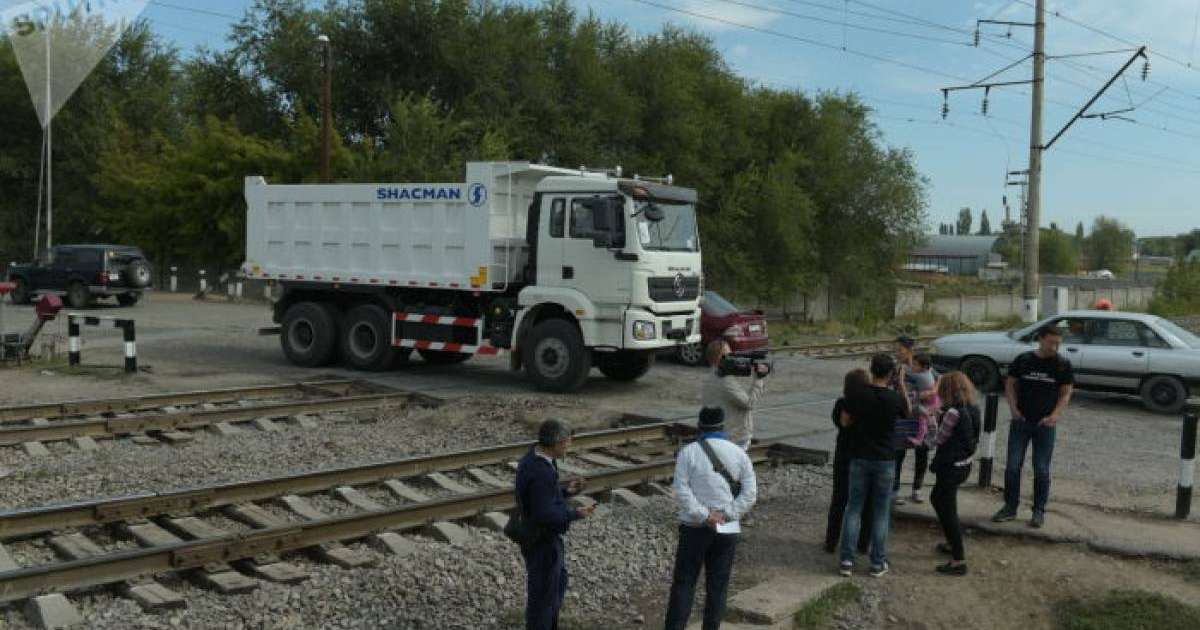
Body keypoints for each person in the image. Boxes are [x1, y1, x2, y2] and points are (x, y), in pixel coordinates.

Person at [664, 407, 758, 630]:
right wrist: (727, 515)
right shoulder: (739, 453)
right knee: (718, 585)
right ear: (722, 426)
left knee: (684, 584)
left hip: (694, 527)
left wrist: (705, 515)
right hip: (727, 528)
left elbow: (681, 490)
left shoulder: (689, 452)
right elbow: (750, 493)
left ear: (700, 426)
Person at [515, 418, 596, 630]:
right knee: (544, 598)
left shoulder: (534, 458)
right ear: (557, 443)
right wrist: (574, 514)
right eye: (568, 441)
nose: (570, 445)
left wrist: (565, 492)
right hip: (542, 540)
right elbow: (545, 513)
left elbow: (540, 499)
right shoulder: (541, 472)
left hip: (537, 537)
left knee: (556, 584)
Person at [992, 325, 1075, 529]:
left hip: (1045, 425)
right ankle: (1010, 507)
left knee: (1041, 469)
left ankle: (1038, 511)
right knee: (1012, 466)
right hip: (1021, 422)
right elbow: (1010, 384)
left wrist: (1054, 415)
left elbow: (1066, 393)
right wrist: (1013, 408)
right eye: (1051, 342)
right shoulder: (1024, 360)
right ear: (1041, 339)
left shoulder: (1062, 364)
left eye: (1058, 343)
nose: (1055, 347)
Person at [839, 353, 910, 578]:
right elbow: (907, 413)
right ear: (891, 374)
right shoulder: (894, 399)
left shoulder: (859, 394)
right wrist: (901, 385)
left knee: (853, 508)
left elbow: (845, 421)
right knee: (881, 512)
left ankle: (846, 561)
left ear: (872, 370)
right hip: (885, 460)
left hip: (860, 457)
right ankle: (877, 563)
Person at [928, 371, 980, 576]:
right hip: (964, 464)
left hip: (950, 467)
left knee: (947, 510)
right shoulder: (973, 408)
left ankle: (959, 561)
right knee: (937, 499)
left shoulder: (953, 413)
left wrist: (931, 420)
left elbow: (937, 440)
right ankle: (952, 542)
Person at [824, 369, 874, 554]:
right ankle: (862, 543)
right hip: (865, 457)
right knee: (867, 502)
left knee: (839, 500)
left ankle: (831, 541)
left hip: (844, 456)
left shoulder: (842, 404)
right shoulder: (871, 404)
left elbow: (841, 424)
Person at [701, 340, 769, 450]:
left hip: (723, 433)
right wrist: (759, 379)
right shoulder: (725, 380)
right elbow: (749, 403)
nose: (733, 357)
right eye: (729, 355)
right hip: (734, 437)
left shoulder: (712, 376)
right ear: (720, 358)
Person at [893, 351, 937, 505]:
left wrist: (931, 392)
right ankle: (896, 491)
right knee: (899, 454)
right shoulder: (901, 368)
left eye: (900, 347)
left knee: (920, 454)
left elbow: (938, 383)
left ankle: (915, 490)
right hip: (909, 417)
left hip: (919, 417)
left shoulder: (918, 372)